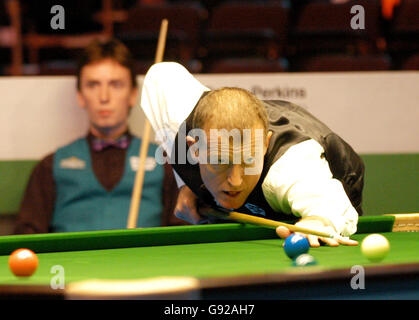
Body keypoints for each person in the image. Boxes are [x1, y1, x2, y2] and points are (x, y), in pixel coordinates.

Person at [140, 62, 365, 247]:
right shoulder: (178, 123)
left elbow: (328, 205)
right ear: (195, 149)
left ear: (265, 145)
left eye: (249, 160)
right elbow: (161, 75)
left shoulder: (290, 168)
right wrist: (186, 184)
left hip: (339, 177)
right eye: (220, 161)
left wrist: (317, 222)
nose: (235, 180)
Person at [14, 39, 182, 234]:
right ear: (80, 95)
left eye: (116, 85)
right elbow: (26, 239)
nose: (104, 97)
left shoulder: (166, 164)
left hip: (144, 264)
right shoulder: (50, 167)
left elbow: (182, 238)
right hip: (71, 264)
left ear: (133, 95)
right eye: (93, 85)